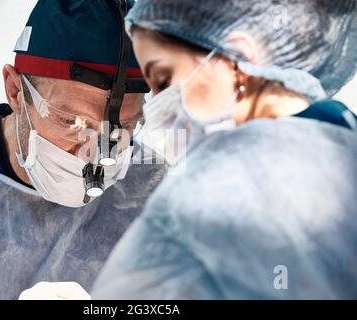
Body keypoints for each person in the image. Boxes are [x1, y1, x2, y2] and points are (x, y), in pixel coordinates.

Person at [91, 0, 357, 299]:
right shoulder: (340, 135)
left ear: (239, 57)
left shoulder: (224, 177)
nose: (159, 110)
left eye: (164, 80)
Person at [0, 0, 163, 299]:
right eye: (72, 122)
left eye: (123, 128)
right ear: (15, 90)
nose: (94, 153)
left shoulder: (160, 195)